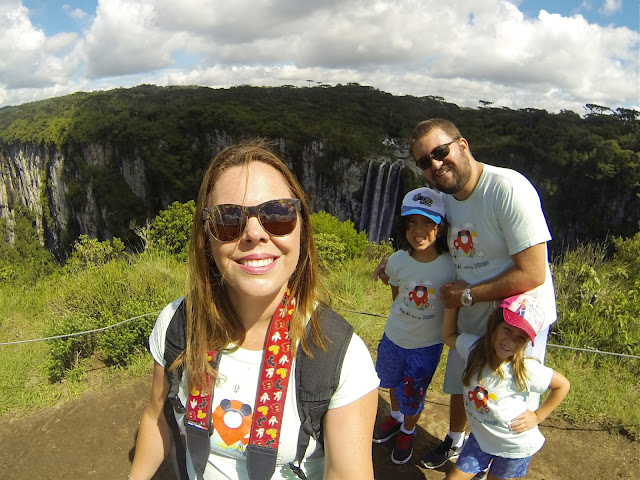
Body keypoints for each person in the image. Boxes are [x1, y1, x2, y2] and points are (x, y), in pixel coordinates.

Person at [130, 141, 380, 480]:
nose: (254, 233)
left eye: (278, 214)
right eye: (229, 219)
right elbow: (155, 416)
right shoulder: (179, 323)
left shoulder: (338, 356)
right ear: (206, 238)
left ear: (302, 229)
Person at [374, 118, 557, 472]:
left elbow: (532, 272)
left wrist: (469, 295)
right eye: (424, 162)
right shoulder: (445, 200)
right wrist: (394, 263)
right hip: (470, 312)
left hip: (517, 321)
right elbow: (426, 244)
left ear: (463, 145)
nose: (435, 165)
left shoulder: (508, 188)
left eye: (440, 152)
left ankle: (495, 463)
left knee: (505, 399)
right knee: (463, 384)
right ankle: (456, 443)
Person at [441, 294, 570, 480]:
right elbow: (448, 336)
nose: (511, 341)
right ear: (494, 323)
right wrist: (451, 305)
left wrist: (537, 416)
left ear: (526, 343)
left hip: (514, 447)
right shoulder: (473, 349)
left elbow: (563, 385)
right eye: (507, 330)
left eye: (521, 338)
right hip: (481, 438)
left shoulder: (526, 369)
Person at [372, 187, 456, 465]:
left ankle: (409, 430)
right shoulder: (397, 261)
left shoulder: (450, 267)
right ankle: (396, 419)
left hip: (425, 346)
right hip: (394, 338)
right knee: (393, 385)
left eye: (428, 223)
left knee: (414, 394)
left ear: (440, 228)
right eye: (412, 223)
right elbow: (396, 294)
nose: (418, 231)